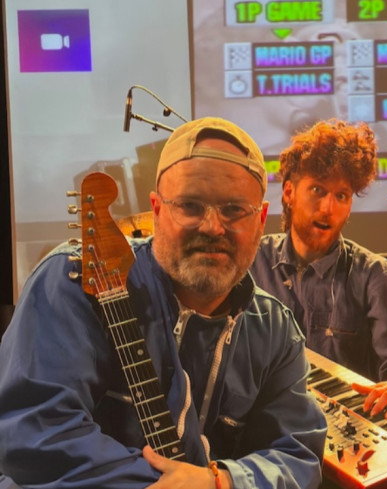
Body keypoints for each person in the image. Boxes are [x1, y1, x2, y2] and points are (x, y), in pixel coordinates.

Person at [0, 117, 327, 488]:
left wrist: (221, 481)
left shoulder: (275, 329)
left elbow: (298, 455)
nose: (212, 227)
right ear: (156, 209)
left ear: (262, 219)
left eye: (235, 209)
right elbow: (35, 434)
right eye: (190, 205)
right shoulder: (74, 283)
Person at [250, 118, 387, 420]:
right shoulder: (250, 262)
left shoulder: (378, 277)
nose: (328, 209)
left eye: (341, 196)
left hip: (349, 431)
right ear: (289, 192)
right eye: (317, 190)